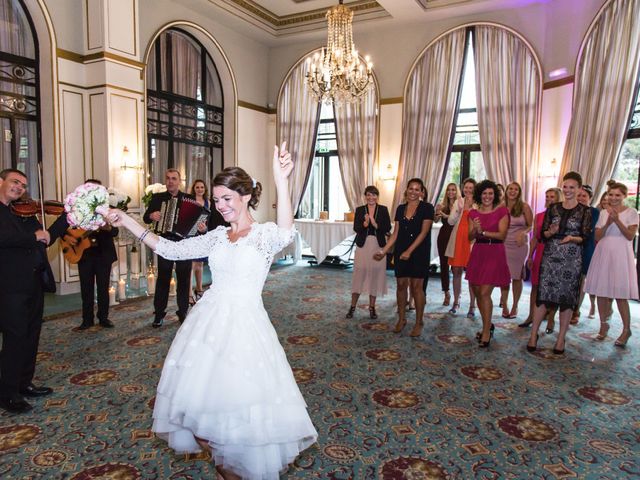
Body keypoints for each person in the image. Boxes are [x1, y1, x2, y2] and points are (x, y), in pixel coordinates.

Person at [106, 143, 318, 480]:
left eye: (227, 199)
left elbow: (287, 230)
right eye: (217, 200)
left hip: (245, 330)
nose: (220, 206)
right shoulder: (217, 236)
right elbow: (170, 249)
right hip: (206, 329)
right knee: (203, 425)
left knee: (239, 424)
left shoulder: (263, 236)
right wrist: (127, 222)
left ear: (245, 197)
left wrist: (283, 179)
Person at [0, 168, 67, 413]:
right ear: (1, 181)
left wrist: (66, 218)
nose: (20, 188)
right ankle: (7, 393)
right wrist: (33, 237)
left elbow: (45, 237)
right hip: (9, 287)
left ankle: (24, 383)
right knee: (15, 338)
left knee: (31, 335)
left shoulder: (25, 212)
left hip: (33, 283)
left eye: (23, 185)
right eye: (15, 182)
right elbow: (5, 238)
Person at [527, 171, 592, 355]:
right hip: (551, 256)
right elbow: (542, 235)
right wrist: (551, 231)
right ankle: (533, 335)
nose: (568, 190)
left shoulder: (585, 211)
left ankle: (561, 338)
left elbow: (585, 237)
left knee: (566, 299)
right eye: (565, 186)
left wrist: (573, 237)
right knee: (543, 296)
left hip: (572, 259)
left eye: (572, 187)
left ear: (579, 189)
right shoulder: (553, 208)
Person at [143, 169, 203, 327]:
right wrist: (151, 216)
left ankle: (182, 311)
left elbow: (196, 223)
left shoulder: (189, 198)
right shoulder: (157, 198)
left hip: (184, 244)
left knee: (184, 279)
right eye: (168, 178)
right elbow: (145, 217)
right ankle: (159, 314)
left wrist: (201, 227)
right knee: (163, 279)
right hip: (165, 242)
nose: (170, 181)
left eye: (174, 179)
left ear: (179, 181)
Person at [374, 178, 433, 337]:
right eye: (411, 189)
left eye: (417, 189)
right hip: (401, 250)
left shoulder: (427, 208)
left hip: (419, 251)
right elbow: (395, 234)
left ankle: (419, 321)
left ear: (422, 192)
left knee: (416, 287)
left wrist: (410, 251)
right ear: (406, 190)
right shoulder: (400, 209)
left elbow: (424, 232)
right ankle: (401, 319)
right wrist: (384, 251)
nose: (413, 192)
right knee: (401, 285)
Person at [584, 180, 638, 348]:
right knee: (601, 291)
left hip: (621, 253)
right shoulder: (603, 212)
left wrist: (617, 220)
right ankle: (603, 326)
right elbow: (598, 236)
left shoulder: (632, 212)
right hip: (604, 252)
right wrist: (608, 221)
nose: (613, 198)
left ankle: (626, 329)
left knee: (620, 294)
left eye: (617, 195)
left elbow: (630, 236)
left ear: (624, 196)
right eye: (611, 195)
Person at [68, 179, 119, 330]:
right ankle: (87, 320)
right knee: (86, 288)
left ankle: (103, 318)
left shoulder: (109, 209)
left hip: (104, 254)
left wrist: (107, 226)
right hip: (85, 254)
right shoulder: (78, 209)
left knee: (103, 288)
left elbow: (115, 231)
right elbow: (68, 229)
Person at [466, 180, 510, 348]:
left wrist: (482, 232)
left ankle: (485, 332)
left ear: (495, 195)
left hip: (495, 253)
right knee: (477, 291)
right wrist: (475, 230)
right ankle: (488, 325)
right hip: (478, 253)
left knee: (484, 292)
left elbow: (501, 235)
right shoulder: (473, 214)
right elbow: (470, 238)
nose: (487, 196)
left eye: (491, 193)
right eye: (484, 193)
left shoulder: (502, 211)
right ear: (479, 195)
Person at [519, 187, 562, 330]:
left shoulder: (563, 216)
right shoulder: (539, 216)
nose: (549, 199)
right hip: (541, 252)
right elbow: (535, 239)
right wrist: (530, 256)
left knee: (553, 287)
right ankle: (531, 315)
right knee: (536, 287)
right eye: (547, 197)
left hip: (556, 253)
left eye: (552, 197)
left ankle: (551, 318)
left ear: (558, 199)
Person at [346, 185, 391, 320]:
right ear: (365, 196)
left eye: (374, 195)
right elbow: (356, 228)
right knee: (359, 273)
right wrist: (365, 224)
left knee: (375, 275)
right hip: (363, 246)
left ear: (377, 196)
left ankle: (372, 307)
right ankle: (352, 306)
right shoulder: (360, 210)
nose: (371, 197)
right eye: (368, 195)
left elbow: (387, 227)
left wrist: (375, 223)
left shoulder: (383, 209)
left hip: (378, 246)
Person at [499, 182, 533, 319]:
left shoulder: (524, 206)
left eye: (516, 189)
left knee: (517, 276)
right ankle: (505, 304)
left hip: (519, 245)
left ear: (519, 192)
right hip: (504, 243)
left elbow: (531, 225)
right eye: (510, 189)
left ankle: (515, 305)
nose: (513, 191)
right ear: (506, 191)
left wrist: (523, 233)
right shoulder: (501, 206)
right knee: (505, 276)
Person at [445, 178, 477, 317]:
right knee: (456, 271)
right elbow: (450, 221)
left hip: (472, 240)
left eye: (471, 188)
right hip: (458, 238)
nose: (468, 190)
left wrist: (471, 209)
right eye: (466, 188)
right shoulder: (459, 201)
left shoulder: (479, 203)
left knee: (472, 274)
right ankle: (456, 301)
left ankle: (472, 305)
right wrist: (459, 209)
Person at [571, 184, 599, 325]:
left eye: (584, 196)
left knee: (582, 280)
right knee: (569, 280)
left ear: (590, 198)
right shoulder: (571, 210)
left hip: (586, 248)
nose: (581, 198)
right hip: (570, 248)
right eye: (579, 195)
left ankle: (576, 309)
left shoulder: (595, 213)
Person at [435, 183, 460, 306]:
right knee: (444, 265)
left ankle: (457, 295)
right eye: (449, 190)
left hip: (456, 237)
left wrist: (446, 216)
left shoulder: (460, 205)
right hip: (444, 237)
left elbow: (456, 221)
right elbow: (435, 220)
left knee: (456, 267)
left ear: (457, 191)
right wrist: (436, 211)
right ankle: (446, 293)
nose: (451, 192)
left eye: (453, 190)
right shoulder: (443, 205)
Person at [188, 179, 210, 305]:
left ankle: (199, 289)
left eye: (202, 187)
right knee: (191, 265)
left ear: (204, 189)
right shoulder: (190, 201)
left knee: (200, 264)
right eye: (197, 187)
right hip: (191, 234)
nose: (200, 189)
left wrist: (205, 229)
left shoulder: (208, 202)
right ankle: (189, 293)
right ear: (194, 189)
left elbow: (208, 219)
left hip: (203, 235)